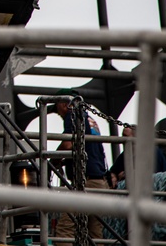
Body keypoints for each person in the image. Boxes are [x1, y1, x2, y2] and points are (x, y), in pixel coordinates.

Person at [53, 90, 108, 243]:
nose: (58, 113)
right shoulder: (90, 119)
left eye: (57, 107)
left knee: (65, 229)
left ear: (64, 104)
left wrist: (52, 159)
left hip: (86, 183)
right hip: (99, 182)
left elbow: (68, 144)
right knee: (94, 233)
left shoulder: (73, 115)